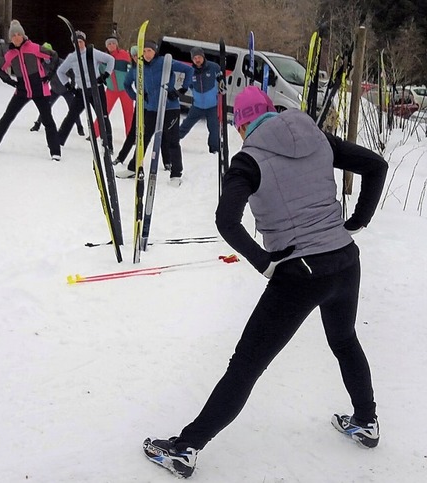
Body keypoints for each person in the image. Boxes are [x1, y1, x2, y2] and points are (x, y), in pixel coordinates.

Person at [142, 86, 388, 478]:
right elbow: (376, 166)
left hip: (299, 274)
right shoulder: (315, 135)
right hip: (345, 261)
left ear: (241, 125)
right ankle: (366, 421)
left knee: (246, 365)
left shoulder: (248, 160)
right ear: (272, 111)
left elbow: (226, 220)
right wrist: (357, 222)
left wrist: (264, 263)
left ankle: (185, 449)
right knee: (344, 340)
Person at [116, 40, 193, 186]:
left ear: (155, 51)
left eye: (149, 51)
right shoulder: (138, 67)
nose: (146, 54)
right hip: (151, 108)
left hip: (170, 107)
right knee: (143, 139)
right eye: (144, 51)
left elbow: (189, 70)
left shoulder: (164, 62)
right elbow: (126, 84)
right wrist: (138, 96)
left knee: (172, 141)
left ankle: (176, 174)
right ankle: (133, 168)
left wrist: (180, 91)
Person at [0, 20, 61, 161]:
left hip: (40, 90)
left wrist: (49, 75)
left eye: (19, 34)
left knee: (48, 120)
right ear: (10, 38)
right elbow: (0, 69)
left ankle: (55, 152)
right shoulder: (10, 54)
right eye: (13, 35)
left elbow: (54, 56)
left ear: (23, 35)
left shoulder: (34, 48)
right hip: (22, 91)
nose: (17, 37)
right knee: (7, 117)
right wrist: (12, 82)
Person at [56, 30, 115, 151]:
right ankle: (58, 141)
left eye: (81, 41)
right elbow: (60, 71)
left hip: (96, 89)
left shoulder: (92, 52)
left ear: (84, 42)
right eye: (76, 42)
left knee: (102, 116)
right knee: (71, 116)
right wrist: (68, 86)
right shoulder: (72, 57)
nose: (79, 44)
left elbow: (110, 60)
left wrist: (105, 75)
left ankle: (108, 144)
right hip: (81, 92)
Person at [29, 42, 84, 137]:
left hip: (66, 89)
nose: (45, 56)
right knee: (46, 107)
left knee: (73, 109)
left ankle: (80, 127)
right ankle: (37, 124)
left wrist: (72, 85)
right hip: (54, 89)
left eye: (47, 53)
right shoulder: (43, 65)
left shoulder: (61, 62)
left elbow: (72, 74)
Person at [179, 46, 222, 154]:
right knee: (186, 125)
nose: (197, 60)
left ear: (203, 57)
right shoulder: (190, 71)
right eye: (194, 58)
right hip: (197, 106)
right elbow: (187, 84)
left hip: (212, 105)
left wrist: (222, 85)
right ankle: (173, 141)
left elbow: (221, 80)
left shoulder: (214, 67)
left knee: (214, 129)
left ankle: (214, 150)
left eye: (199, 57)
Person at [91, 35, 133, 140]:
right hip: (111, 90)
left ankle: (131, 136)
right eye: (109, 44)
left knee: (129, 114)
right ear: (106, 46)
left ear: (117, 44)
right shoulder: (103, 57)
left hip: (125, 90)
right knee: (102, 111)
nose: (111, 45)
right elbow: (99, 72)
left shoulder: (124, 55)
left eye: (113, 43)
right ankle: (95, 133)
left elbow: (133, 68)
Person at [112, 45, 138, 165]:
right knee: (132, 133)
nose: (136, 57)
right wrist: (134, 95)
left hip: (152, 104)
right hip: (114, 89)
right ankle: (121, 158)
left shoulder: (150, 67)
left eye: (138, 55)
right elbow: (127, 83)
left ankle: (167, 162)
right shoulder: (133, 69)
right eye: (134, 56)